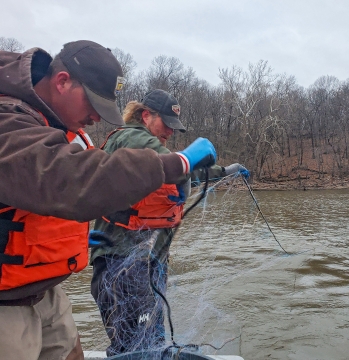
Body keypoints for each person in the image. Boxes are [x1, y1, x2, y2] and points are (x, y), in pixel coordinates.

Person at [0, 41, 217, 360]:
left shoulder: (51, 125)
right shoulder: (8, 119)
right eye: (93, 104)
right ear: (62, 82)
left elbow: (33, 196)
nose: (94, 117)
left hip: (43, 289)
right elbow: (69, 178)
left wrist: (77, 237)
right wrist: (180, 164)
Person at [90, 89, 249, 356]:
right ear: (146, 115)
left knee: (151, 338)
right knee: (132, 347)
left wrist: (224, 172)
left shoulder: (154, 154)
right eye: (167, 123)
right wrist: (189, 159)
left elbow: (182, 174)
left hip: (148, 264)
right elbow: (177, 167)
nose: (170, 132)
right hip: (121, 264)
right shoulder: (131, 138)